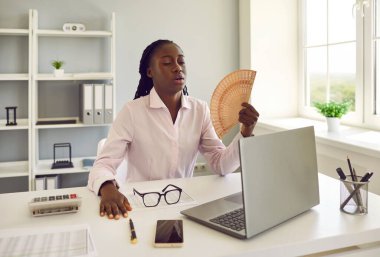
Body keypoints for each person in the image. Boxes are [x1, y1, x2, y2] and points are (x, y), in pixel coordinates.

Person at [87, 39, 260, 219]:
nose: (177, 68)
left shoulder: (199, 110)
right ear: (150, 71)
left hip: (184, 205)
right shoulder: (132, 112)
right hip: (141, 206)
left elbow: (221, 165)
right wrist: (107, 189)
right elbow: (103, 165)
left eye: (181, 61)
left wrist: (245, 132)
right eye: (167, 63)